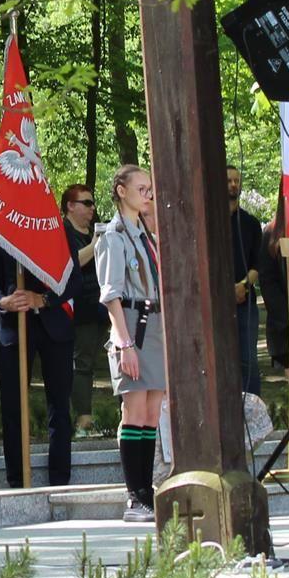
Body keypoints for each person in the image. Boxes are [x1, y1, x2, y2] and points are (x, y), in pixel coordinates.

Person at [98, 165, 167, 521]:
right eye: (141, 188)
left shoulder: (146, 233)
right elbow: (110, 295)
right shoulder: (114, 235)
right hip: (131, 325)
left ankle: (148, 491)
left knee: (153, 413)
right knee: (134, 410)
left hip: (155, 324)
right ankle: (134, 494)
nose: (148, 194)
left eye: (150, 188)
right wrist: (124, 343)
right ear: (121, 190)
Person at [0, 239, 75, 489]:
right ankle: (16, 479)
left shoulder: (54, 228)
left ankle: (59, 479)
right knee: (12, 407)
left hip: (55, 327)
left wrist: (43, 299)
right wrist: (4, 302)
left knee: (59, 407)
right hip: (15, 329)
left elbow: (73, 280)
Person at [58, 184, 108, 430]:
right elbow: (71, 263)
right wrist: (98, 243)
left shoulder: (92, 233)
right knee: (83, 362)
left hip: (102, 307)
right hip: (78, 309)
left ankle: (119, 414)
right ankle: (82, 419)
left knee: (107, 361)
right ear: (70, 206)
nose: (92, 208)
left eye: (92, 203)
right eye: (86, 203)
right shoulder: (62, 231)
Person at [228, 167, 267, 397]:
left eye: (236, 181)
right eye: (229, 181)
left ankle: (252, 413)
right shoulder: (208, 222)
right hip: (215, 303)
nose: (234, 185)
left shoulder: (251, 223)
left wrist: (243, 286)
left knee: (248, 360)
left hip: (245, 300)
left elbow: (257, 264)